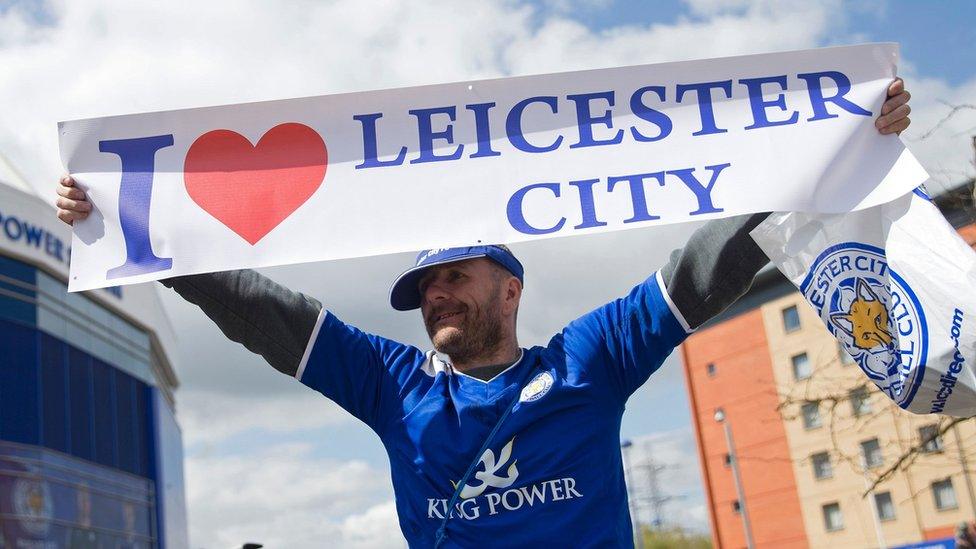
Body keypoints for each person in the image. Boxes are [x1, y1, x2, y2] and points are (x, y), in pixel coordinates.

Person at [56, 80, 912, 547]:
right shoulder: (393, 388)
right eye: (424, 285)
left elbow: (702, 272)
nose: (434, 294)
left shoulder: (589, 360)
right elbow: (264, 313)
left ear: (510, 288)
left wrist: (831, 144)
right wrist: (137, 227)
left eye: (453, 275)